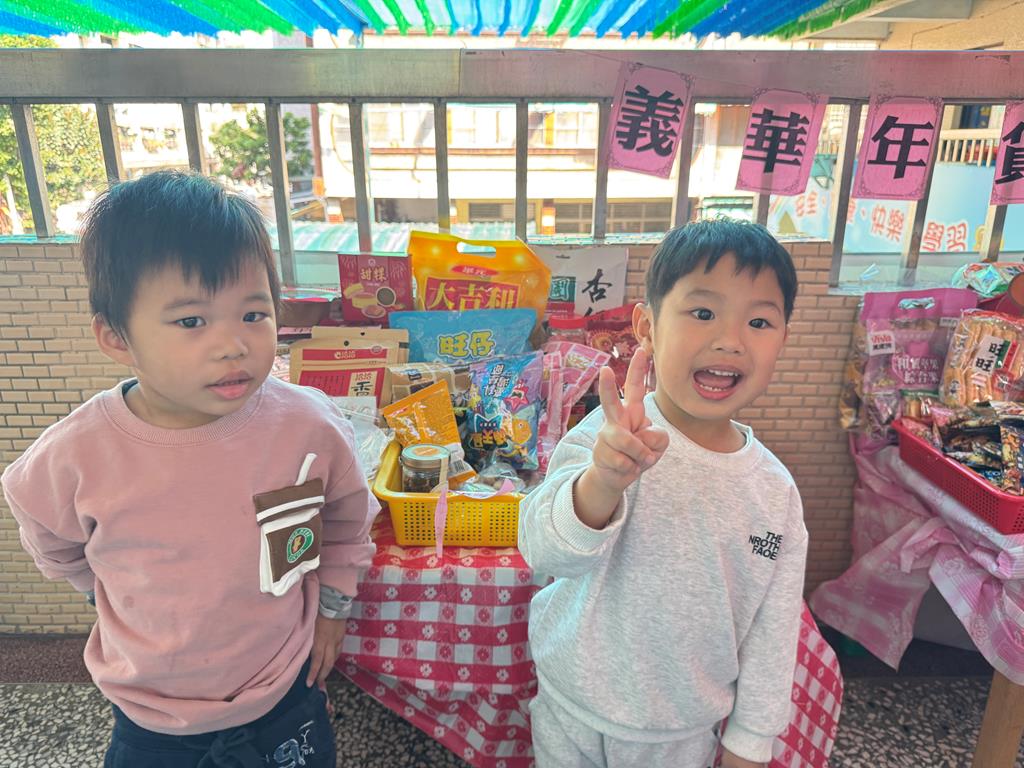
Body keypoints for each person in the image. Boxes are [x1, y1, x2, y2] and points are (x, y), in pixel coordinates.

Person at [1, 171, 379, 767]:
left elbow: (347, 522)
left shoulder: (308, 427)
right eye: (191, 322)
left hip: (284, 690)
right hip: (150, 716)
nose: (232, 345)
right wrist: (107, 592)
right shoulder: (74, 456)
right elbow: (53, 540)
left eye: (253, 314)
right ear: (116, 337)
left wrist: (333, 611)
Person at [519, 219, 808, 768]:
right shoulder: (609, 437)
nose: (730, 340)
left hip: (682, 730)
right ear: (646, 327)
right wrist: (602, 482)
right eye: (702, 313)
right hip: (571, 705)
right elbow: (542, 551)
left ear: (783, 339)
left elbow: (773, 630)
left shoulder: (774, 492)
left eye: (759, 321)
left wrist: (751, 741)